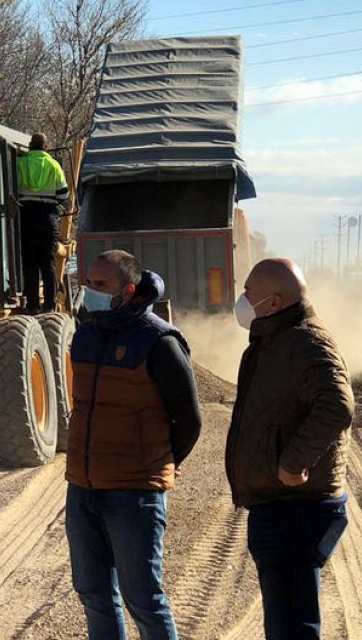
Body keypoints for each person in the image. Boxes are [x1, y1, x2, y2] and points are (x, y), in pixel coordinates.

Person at [65, 249, 203, 640]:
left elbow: (189, 420)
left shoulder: (158, 341)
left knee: (143, 599)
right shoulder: (86, 336)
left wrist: (160, 463)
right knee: (93, 594)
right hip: (82, 488)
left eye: (100, 285)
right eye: (88, 282)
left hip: (134, 493)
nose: (89, 291)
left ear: (127, 291)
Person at [225, 258, 355, 640]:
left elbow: (337, 405)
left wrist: (292, 463)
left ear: (275, 301)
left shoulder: (305, 341)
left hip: (296, 506)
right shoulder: (277, 337)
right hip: (279, 504)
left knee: (293, 626)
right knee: (284, 623)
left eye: (249, 291)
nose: (242, 298)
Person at [16, 132, 70, 313]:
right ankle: (49, 305)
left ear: (30, 145)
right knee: (48, 263)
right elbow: (63, 194)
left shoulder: (20, 163)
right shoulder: (53, 165)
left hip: (26, 217)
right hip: (48, 219)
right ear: (46, 146)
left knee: (30, 263)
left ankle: (32, 305)